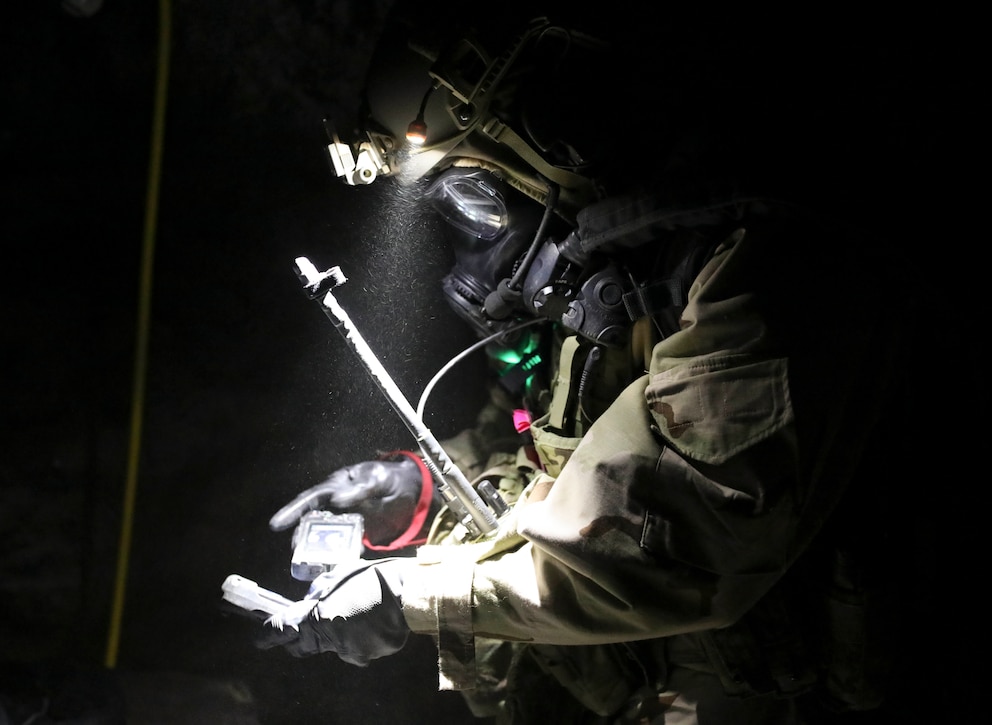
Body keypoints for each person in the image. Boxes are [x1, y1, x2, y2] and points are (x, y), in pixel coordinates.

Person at [251, 2, 920, 722]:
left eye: (477, 192)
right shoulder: (617, 272)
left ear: (562, 128)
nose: (479, 229)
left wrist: (409, 595)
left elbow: (675, 538)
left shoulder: (763, 263)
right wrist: (418, 487)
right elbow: (549, 458)